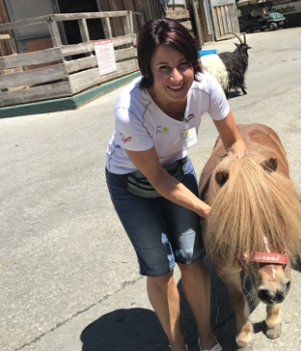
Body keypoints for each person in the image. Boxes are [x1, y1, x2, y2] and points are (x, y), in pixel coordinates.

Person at [105, 18, 246, 351]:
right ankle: (177, 343)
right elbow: (157, 179)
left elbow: (235, 143)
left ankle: (206, 336)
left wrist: (239, 192)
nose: (177, 77)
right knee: (160, 269)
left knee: (192, 259)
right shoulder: (130, 110)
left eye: (184, 63)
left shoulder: (206, 86)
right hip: (131, 183)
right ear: (147, 70)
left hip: (177, 168)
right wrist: (209, 211)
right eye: (164, 68)